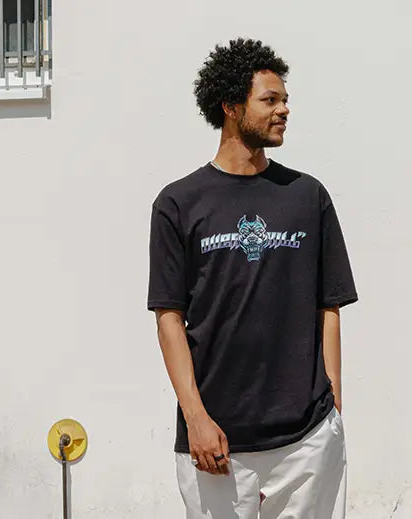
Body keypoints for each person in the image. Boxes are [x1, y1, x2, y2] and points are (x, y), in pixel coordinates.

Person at [147, 38, 358, 519]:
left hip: (307, 437)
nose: (284, 110)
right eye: (270, 100)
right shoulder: (179, 203)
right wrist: (195, 418)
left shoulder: (307, 196)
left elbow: (329, 305)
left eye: (285, 99)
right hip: (216, 440)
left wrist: (333, 408)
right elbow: (169, 318)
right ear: (231, 106)